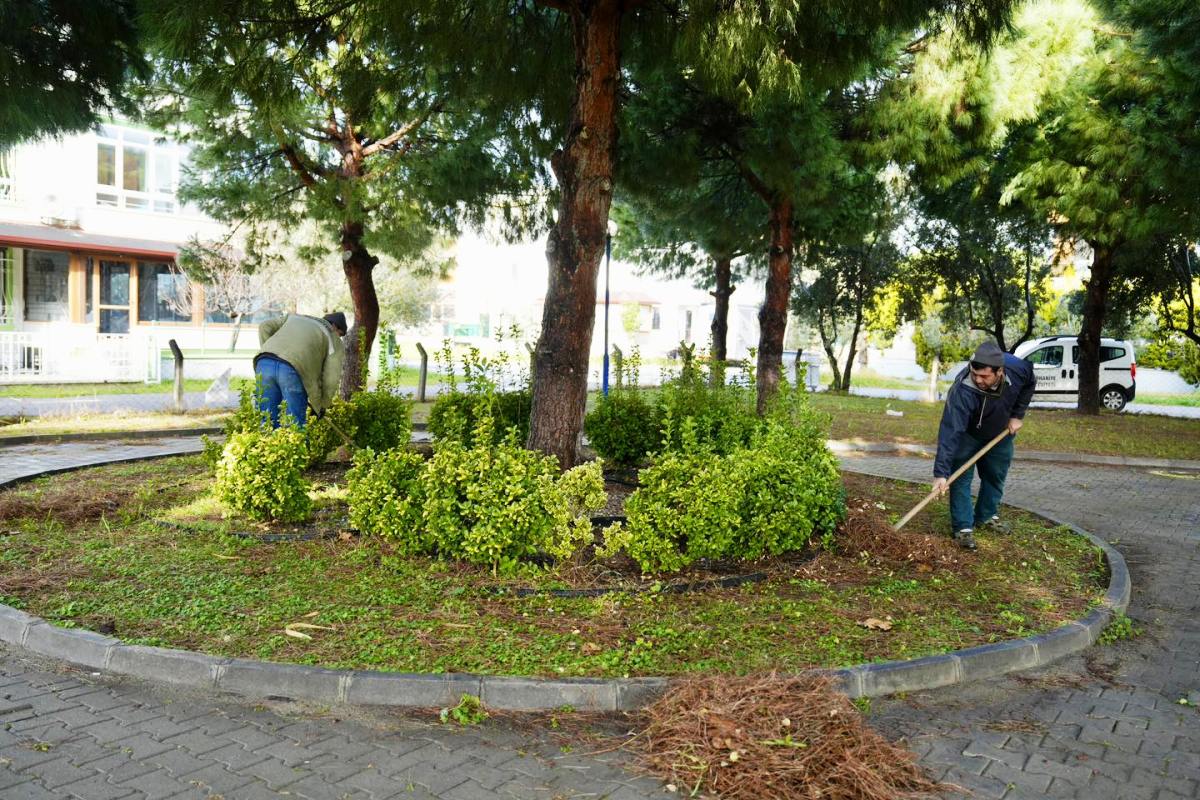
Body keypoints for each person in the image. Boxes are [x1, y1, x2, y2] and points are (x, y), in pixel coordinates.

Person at [931, 341, 1036, 550]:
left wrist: (1017, 415)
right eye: (974, 374)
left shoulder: (1018, 368)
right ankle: (963, 528)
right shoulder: (963, 389)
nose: (978, 380)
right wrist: (941, 473)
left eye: (984, 376)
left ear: (999, 371)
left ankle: (986, 516)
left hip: (1000, 432)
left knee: (995, 475)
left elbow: (1030, 383)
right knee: (960, 477)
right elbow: (951, 431)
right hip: (968, 434)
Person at [253, 312, 347, 428]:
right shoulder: (333, 337)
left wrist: (270, 351)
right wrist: (322, 406)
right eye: (340, 334)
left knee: (267, 422)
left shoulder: (293, 317)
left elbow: (264, 326)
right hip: (292, 371)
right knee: (295, 426)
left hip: (264, 362)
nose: (339, 337)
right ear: (335, 326)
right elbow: (331, 378)